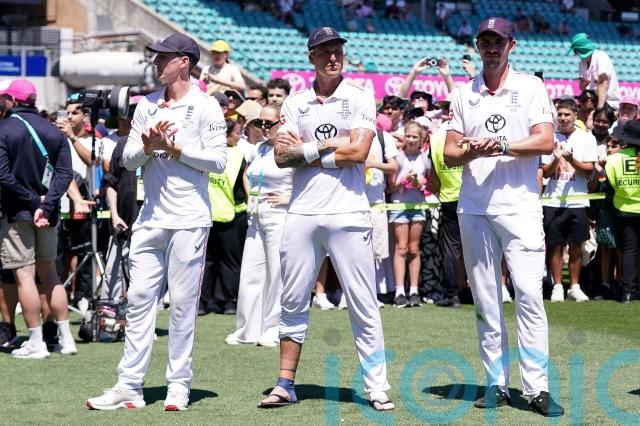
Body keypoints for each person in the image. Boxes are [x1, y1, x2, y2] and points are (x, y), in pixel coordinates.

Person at [86, 33, 227, 411]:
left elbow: (218, 162)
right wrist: (149, 148)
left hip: (189, 219)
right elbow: (128, 159)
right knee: (137, 302)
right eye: (156, 56)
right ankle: (129, 385)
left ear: (184, 61)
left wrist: (175, 149)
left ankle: (178, 385)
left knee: (181, 305)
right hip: (150, 218)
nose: (156, 62)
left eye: (163, 57)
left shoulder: (206, 105)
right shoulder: (146, 104)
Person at [257, 27, 393, 411]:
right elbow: (281, 157)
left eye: (337, 51)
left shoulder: (359, 96)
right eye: (325, 52)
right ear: (311, 57)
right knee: (292, 300)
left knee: (363, 303)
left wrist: (306, 151)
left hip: (348, 211)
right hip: (301, 212)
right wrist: (329, 143)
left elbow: (359, 153)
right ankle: (285, 384)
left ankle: (376, 386)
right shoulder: (295, 103)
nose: (333, 57)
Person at [443, 17, 564, 417]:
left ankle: (537, 388)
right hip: (475, 207)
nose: (491, 47)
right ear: (477, 46)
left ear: (512, 45)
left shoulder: (530, 86)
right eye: (485, 41)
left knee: (528, 294)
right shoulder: (464, 93)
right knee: (485, 298)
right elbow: (449, 153)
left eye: (498, 41)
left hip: (520, 207)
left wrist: (501, 144)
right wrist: (473, 150)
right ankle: (496, 382)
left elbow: (545, 140)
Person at [0, 79, 75, 358]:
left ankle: (35, 342)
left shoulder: (4, 128)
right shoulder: (54, 130)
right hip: (48, 213)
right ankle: (66, 340)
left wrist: (34, 203)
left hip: (18, 212)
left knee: (25, 276)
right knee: (51, 274)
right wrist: (47, 203)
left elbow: (3, 175)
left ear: (13, 100)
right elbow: (65, 174)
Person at [225, 103, 293, 346]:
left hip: (278, 217)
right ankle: (247, 330)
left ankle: (273, 329)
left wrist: (289, 198)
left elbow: (311, 182)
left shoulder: (291, 148)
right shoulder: (259, 149)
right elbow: (246, 173)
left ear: (281, 122)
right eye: (259, 123)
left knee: (276, 275)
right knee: (250, 274)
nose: (263, 127)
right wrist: (252, 195)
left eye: (268, 123)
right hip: (255, 216)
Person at [541, 99, 597, 303]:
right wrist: (556, 159)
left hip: (577, 201)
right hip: (552, 200)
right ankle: (557, 286)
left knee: (576, 246)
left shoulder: (587, 138)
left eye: (567, 114)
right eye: (560, 114)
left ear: (575, 115)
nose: (563, 118)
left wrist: (572, 160)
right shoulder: (548, 138)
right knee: (554, 245)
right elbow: (545, 172)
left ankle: (574, 286)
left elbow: (589, 170)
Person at [387, 121, 430, 308]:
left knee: (414, 248)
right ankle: (399, 291)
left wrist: (419, 183)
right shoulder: (398, 158)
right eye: (408, 136)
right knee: (401, 248)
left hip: (418, 205)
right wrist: (405, 181)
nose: (411, 140)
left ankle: (414, 290)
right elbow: (391, 186)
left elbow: (429, 185)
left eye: (415, 137)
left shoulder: (425, 159)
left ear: (421, 140)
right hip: (399, 205)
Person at [605, 120, 640, 304]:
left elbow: (612, 184)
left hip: (624, 210)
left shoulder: (613, 159)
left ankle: (627, 292)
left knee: (629, 251)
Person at [568, 33, 620, 110]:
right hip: (593, 103)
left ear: (581, 48)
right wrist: (583, 85)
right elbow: (583, 88)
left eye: (575, 51)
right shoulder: (582, 63)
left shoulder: (601, 56)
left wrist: (599, 108)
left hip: (609, 103)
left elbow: (603, 84)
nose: (575, 54)